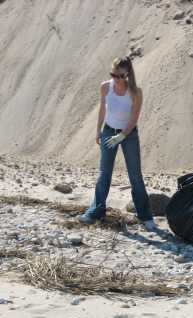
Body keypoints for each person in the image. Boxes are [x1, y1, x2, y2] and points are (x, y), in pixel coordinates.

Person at [79, 56, 155, 230]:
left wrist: (122, 136)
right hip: (108, 131)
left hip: (128, 135)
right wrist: (98, 130)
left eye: (120, 75)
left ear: (128, 75)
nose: (116, 78)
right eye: (113, 74)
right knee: (104, 173)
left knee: (135, 175)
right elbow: (102, 109)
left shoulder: (136, 92)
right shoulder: (105, 87)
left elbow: (134, 118)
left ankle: (145, 215)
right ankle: (96, 211)